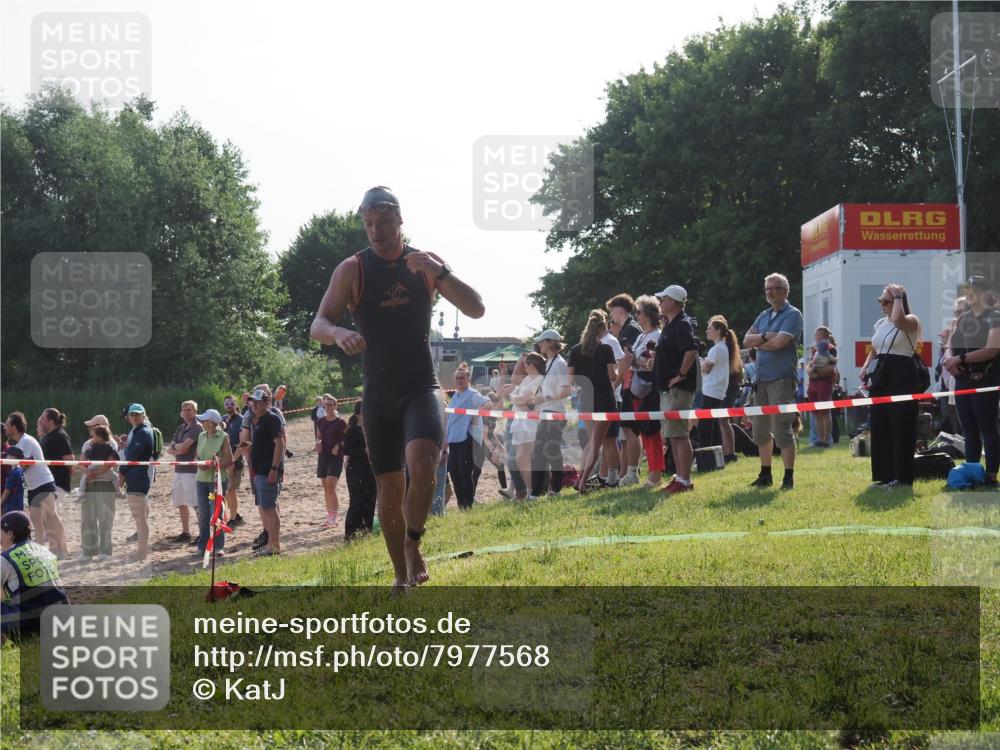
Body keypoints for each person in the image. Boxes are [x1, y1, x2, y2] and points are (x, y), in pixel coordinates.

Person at [310, 186, 485, 587]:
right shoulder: (352, 269)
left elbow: (476, 308)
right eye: (369, 224)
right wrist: (337, 333)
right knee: (389, 486)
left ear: (400, 221)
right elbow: (317, 324)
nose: (376, 232)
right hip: (378, 394)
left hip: (421, 385)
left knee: (423, 466)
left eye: (384, 223)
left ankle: (413, 540)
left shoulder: (423, 264)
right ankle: (400, 573)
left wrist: (440, 272)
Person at [743, 273, 803, 490]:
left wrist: (761, 341)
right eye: (767, 288)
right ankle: (765, 474)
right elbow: (746, 340)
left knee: (782, 429)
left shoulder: (793, 314)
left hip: (782, 380)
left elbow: (780, 344)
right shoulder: (764, 315)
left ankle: (788, 478)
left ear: (785, 291)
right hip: (761, 380)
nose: (769, 292)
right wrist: (768, 337)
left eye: (774, 288)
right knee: (759, 431)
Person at [859, 283, 922, 487]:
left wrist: (897, 296)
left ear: (898, 302)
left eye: (886, 301)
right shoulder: (881, 323)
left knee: (901, 425)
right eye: (881, 301)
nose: (882, 305)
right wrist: (866, 365)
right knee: (880, 424)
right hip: (882, 374)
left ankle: (902, 477)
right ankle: (884, 475)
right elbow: (875, 348)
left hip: (902, 373)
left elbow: (898, 320)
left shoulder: (910, 321)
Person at [942, 275, 1000, 487]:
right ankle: (973, 470)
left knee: (987, 427)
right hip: (962, 380)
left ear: (984, 292)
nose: (968, 292)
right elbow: (950, 341)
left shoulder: (994, 316)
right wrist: (950, 360)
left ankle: (992, 475)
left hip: (985, 379)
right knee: (968, 429)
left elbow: (992, 349)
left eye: (973, 288)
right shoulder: (963, 318)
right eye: (967, 288)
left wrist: (961, 358)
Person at [647, 286, 698, 494]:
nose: (660, 302)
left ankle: (685, 480)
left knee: (679, 434)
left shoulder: (682, 324)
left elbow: (691, 350)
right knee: (674, 435)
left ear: (675, 301)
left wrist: (681, 375)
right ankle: (680, 477)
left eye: (664, 298)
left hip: (678, 388)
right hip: (669, 388)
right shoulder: (672, 324)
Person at [568, 310, 620, 493]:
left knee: (592, 442)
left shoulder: (576, 350)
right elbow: (613, 377)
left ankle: (582, 479)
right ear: (603, 329)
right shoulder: (606, 349)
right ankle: (583, 481)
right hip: (605, 398)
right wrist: (624, 368)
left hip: (586, 398)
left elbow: (571, 380)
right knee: (599, 443)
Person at [3, 412, 68, 558]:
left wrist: (12, 460)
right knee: (36, 521)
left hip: (44, 483)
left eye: (7, 424)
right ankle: (41, 551)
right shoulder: (20, 443)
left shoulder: (25, 441)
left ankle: (63, 549)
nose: (5, 426)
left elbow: (24, 465)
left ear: (14, 427)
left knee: (52, 516)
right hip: (33, 486)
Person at [1, 510, 68, 643]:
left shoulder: (6, 558)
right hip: (61, 619)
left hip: (31, 625)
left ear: (10, 534)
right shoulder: (44, 551)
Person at [242, 388, 286, 556]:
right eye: (253, 401)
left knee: (270, 507)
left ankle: (274, 546)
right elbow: (267, 444)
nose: (254, 404)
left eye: (258, 402)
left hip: (268, 470)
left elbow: (280, 444)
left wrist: (274, 469)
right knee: (265, 508)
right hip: (260, 470)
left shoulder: (271, 419)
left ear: (267, 403)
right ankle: (270, 544)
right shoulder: (258, 419)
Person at [606, 295, 644, 486]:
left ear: (621, 310)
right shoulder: (627, 329)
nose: (611, 316)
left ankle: (632, 472)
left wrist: (614, 385)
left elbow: (627, 364)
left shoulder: (631, 329)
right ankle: (626, 472)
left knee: (631, 431)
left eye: (612, 311)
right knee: (627, 431)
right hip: (629, 385)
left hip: (633, 385)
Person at [530, 330, 572, 497]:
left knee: (549, 452)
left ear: (551, 342)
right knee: (541, 453)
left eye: (542, 341)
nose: (540, 344)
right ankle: (541, 491)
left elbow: (567, 390)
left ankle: (553, 490)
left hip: (556, 413)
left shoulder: (560, 363)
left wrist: (544, 397)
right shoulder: (549, 363)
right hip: (547, 413)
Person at [446, 365, 491, 508]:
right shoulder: (455, 396)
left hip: (467, 438)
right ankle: (461, 504)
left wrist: (476, 415)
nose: (459, 380)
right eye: (457, 378)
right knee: (454, 473)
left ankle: (468, 505)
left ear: (468, 379)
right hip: (454, 439)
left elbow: (488, 404)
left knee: (465, 473)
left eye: (462, 378)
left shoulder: (472, 394)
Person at [699, 315, 741, 459]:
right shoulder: (722, 348)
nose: (707, 331)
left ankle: (706, 456)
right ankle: (717, 456)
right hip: (716, 390)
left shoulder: (716, 349)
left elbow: (705, 369)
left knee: (705, 425)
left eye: (710, 328)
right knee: (713, 425)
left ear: (717, 330)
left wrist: (699, 361)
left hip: (712, 390)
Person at [506, 352, 547, 499]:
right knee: (520, 458)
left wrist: (514, 398)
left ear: (532, 365)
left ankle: (531, 491)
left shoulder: (538, 379)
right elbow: (517, 398)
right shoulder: (528, 379)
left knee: (525, 458)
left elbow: (522, 399)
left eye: (525, 364)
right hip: (520, 421)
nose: (524, 367)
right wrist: (517, 399)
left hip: (529, 422)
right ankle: (530, 490)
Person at [194, 409, 235, 556]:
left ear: (211, 422)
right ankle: (203, 545)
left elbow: (230, 460)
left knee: (216, 514)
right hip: (201, 480)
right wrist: (198, 463)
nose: (202, 422)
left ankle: (218, 546)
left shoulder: (223, 436)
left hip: (217, 481)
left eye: (204, 420)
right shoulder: (201, 435)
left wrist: (212, 465)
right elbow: (197, 456)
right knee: (203, 515)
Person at [79, 424, 119, 561]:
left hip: (105, 484)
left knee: (105, 518)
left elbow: (111, 462)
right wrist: (88, 472)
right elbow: (82, 461)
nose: (91, 431)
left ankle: (105, 550)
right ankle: (89, 551)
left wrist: (95, 473)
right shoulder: (88, 444)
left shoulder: (110, 443)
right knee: (87, 518)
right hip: (90, 484)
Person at [120, 404, 155, 560]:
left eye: (137, 414)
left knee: (140, 517)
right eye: (132, 415)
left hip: (138, 476)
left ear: (143, 415)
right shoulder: (137, 431)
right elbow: (130, 454)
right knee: (140, 516)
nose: (134, 417)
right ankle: (142, 551)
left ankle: (142, 552)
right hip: (135, 476)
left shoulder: (143, 432)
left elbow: (131, 457)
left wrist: (121, 474)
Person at [165, 401, 203, 543]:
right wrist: (178, 447)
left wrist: (178, 447)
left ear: (195, 411)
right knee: (180, 501)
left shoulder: (197, 427)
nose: (186, 412)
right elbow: (171, 449)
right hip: (179, 469)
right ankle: (186, 532)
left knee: (195, 502)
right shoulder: (182, 428)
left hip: (191, 470)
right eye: (184, 410)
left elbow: (184, 447)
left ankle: (202, 532)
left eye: (189, 409)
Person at [343, 401, 377, 538]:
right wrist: (365, 452)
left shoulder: (370, 429)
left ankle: (366, 530)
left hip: (370, 469)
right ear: (358, 414)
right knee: (357, 501)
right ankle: (351, 532)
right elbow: (347, 452)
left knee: (370, 499)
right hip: (356, 469)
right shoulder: (352, 430)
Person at [316, 394, 347, 528]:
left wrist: (339, 445)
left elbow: (347, 438)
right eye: (325, 405)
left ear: (335, 406)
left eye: (330, 404)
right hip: (323, 456)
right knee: (325, 487)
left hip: (336, 457)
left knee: (330, 485)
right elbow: (318, 436)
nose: (328, 407)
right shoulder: (321, 421)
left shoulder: (341, 422)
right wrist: (318, 443)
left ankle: (334, 517)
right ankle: (329, 516)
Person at [806, 327, 839, 448]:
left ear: (823, 335)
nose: (815, 336)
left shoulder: (830, 349)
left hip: (824, 383)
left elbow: (831, 368)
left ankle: (826, 440)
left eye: (817, 334)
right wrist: (811, 371)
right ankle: (820, 439)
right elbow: (809, 367)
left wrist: (815, 372)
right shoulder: (815, 350)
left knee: (825, 412)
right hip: (813, 384)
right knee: (817, 413)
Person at [221, 395, 245, 527]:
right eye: (227, 403)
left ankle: (234, 518)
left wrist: (233, 461)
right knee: (225, 491)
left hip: (236, 460)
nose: (229, 405)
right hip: (224, 460)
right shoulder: (223, 420)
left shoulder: (241, 420)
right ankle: (236, 515)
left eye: (231, 403)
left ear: (236, 405)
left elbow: (243, 443)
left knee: (231, 490)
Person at [1, 447, 25, 515]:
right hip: (19, 504)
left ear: (13, 457)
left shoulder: (12, 473)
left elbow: (7, 491)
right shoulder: (20, 470)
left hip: (11, 506)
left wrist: (0, 502)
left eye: (7, 456)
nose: (5, 458)